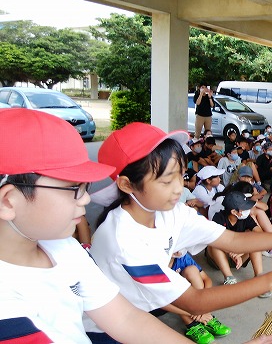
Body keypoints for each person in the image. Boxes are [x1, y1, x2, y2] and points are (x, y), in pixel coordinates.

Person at [84, 122, 272, 343]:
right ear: (127, 184)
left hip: (137, 314)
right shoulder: (123, 239)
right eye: (167, 181)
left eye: (180, 174)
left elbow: (232, 239)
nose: (179, 187)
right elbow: (192, 301)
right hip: (104, 330)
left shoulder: (169, 212)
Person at [0, 109, 192, 343]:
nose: (86, 199)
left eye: (85, 187)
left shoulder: (65, 249)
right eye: (73, 188)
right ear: (8, 201)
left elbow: (127, 319)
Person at [208, 192, 270, 293]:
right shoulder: (219, 218)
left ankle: (259, 277)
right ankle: (229, 278)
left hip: (239, 256)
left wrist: (240, 251)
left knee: (255, 240)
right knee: (214, 244)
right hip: (218, 259)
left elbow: (260, 234)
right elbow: (217, 240)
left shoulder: (246, 218)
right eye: (244, 208)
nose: (247, 210)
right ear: (233, 211)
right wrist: (232, 251)